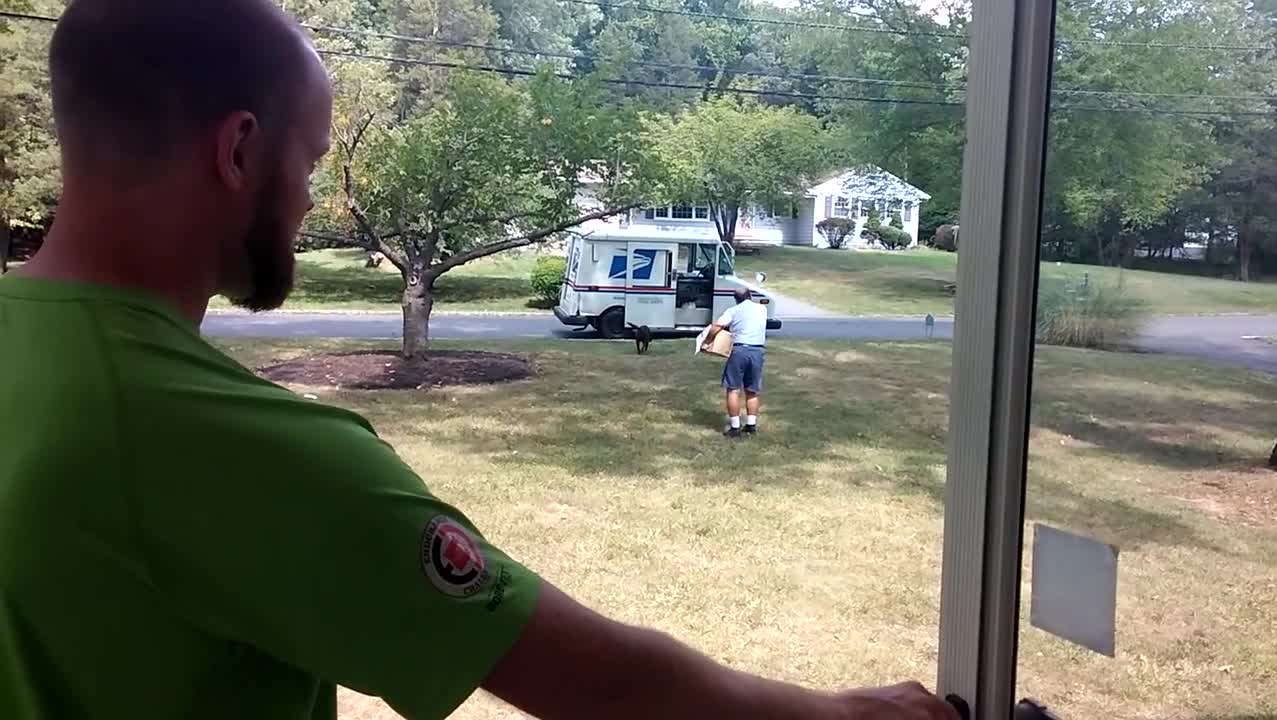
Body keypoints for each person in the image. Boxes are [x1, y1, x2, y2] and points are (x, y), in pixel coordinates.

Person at [0, 2, 960, 719]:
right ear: (240, 151)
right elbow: (606, 684)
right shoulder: (212, 442)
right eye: (311, 161)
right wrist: (849, 715)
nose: (312, 202)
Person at [705, 287, 770, 437]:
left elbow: (717, 326)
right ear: (750, 296)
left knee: (733, 389)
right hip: (758, 351)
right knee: (752, 390)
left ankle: (735, 427)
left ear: (736, 299)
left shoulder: (733, 311)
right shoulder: (762, 309)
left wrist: (708, 341)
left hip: (739, 350)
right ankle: (751, 425)